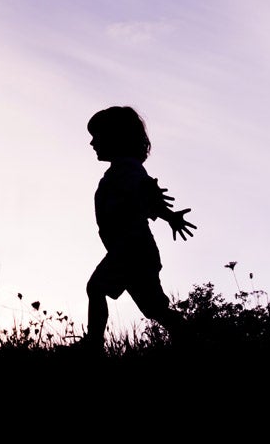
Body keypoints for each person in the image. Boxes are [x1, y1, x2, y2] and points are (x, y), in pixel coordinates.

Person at [77, 105, 195, 352]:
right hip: (135, 249)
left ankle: (93, 344)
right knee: (155, 309)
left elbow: (144, 192)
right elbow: (144, 196)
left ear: (115, 137)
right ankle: (191, 339)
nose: (91, 142)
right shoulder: (121, 170)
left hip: (131, 248)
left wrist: (167, 214)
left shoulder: (126, 169)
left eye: (97, 135)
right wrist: (168, 215)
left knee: (96, 288)